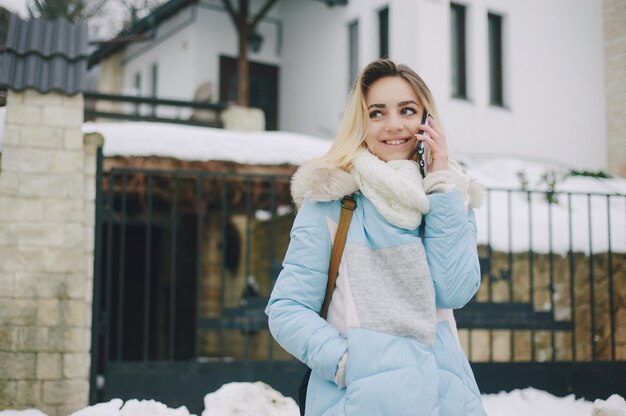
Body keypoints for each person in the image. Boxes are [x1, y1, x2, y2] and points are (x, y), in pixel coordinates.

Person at [265, 59, 486, 415]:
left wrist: (441, 183)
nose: (394, 125)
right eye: (377, 113)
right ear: (360, 124)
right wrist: (349, 364)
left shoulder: (450, 198)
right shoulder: (333, 200)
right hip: (359, 403)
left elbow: (454, 291)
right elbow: (287, 309)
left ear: (427, 120)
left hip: (445, 400)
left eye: (408, 110)